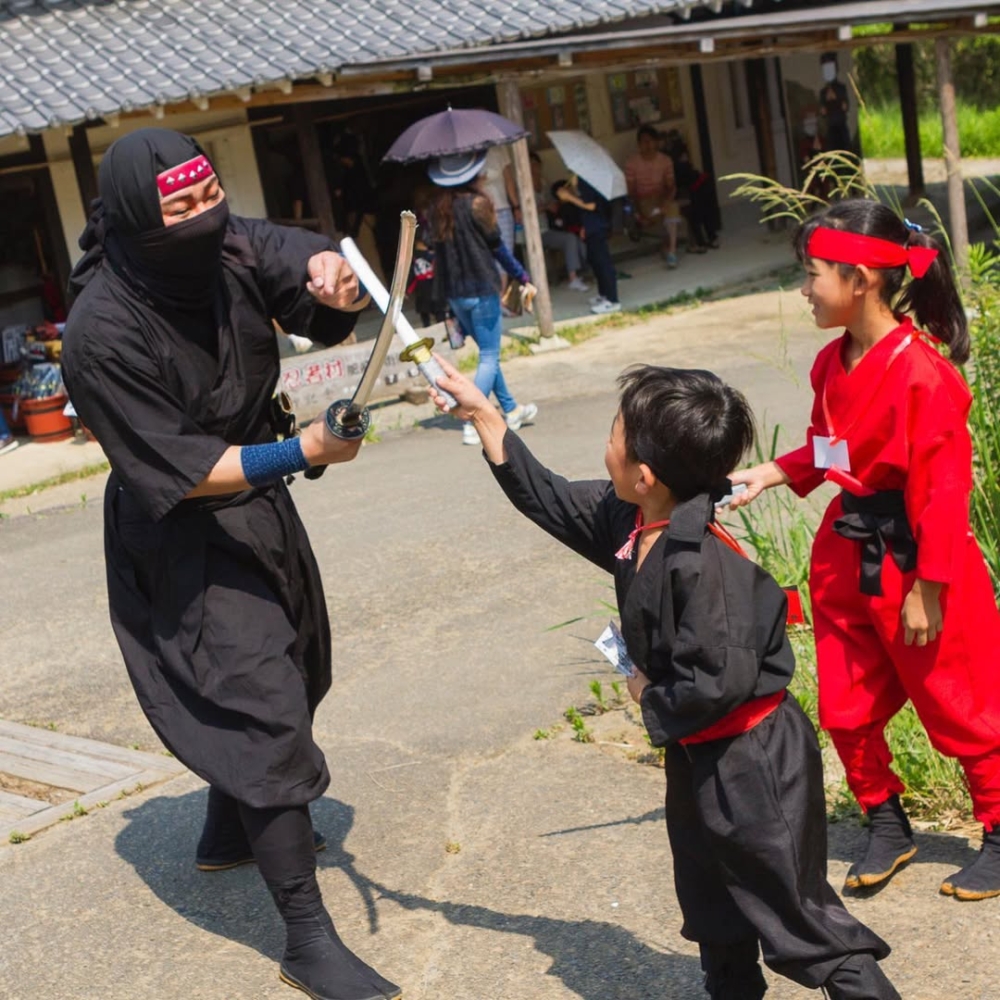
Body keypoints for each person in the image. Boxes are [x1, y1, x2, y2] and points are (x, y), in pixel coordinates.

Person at [428, 359, 900, 1000]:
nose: (606, 444)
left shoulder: (704, 567)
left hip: (756, 763)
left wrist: (648, 694)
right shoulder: (632, 520)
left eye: (613, 434)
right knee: (712, 903)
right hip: (699, 752)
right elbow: (547, 496)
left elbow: (721, 682)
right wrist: (486, 415)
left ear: (644, 475)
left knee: (800, 919)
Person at [60, 128, 401, 1000]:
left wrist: (333, 279)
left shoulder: (232, 244)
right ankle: (307, 938)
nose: (204, 219)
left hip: (259, 510)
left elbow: (303, 266)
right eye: (180, 207)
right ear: (135, 217)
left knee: (300, 668)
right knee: (262, 711)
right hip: (178, 530)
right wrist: (302, 451)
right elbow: (180, 468)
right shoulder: (100, 331)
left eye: (210, 196)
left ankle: (226, 830)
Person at [730, 199, 1000, 902]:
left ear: (861, 279)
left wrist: (929, 589)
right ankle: (886, 821)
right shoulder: (832, 362)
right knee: (845, 704)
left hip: (918, 558)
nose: (804, 289)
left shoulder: (924, 374)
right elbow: (831, 450)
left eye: (812, 273)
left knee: (960, 702)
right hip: (847, 553)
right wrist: (775, 471)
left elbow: (944, 492)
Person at [428, 150, 538, 446]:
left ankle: (511, 409)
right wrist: (521, 275)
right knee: (489, 356)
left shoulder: (437, 209)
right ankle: (471, 420)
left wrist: (442, 303)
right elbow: (498, 247)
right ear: (472, 176)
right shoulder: (477, 204)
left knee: (489, 354)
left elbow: (437, 255)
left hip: (456, 295)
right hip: (482, 290)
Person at [556, 174, 619, 315]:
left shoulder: (588, 181)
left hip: (598, 227)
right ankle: (603, 295)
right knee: (595, 262)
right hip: (591, 226)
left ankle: (612, 300)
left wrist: (569, 197)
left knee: (603, 263)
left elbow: (591, 205)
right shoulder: (582, 184)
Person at [529, 152, 590, 292]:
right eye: (530, 165)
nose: (533, 168)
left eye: (535, 164)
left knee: (578, 238)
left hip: (553, 226)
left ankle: (588, 271)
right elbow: (524, 213)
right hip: (538, 231)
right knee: (569, 238)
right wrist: (545, 207)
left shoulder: (545, 183)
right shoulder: (523, 187)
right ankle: (573, 278)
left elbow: (555, 201)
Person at [625, 124, 681, 268]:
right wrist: (638, 214)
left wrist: (666, 202)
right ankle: (666, 247)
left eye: (650, 141)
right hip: (644, 202)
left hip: (662, 198)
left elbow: (671, 186)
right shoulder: (632, 163)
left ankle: (672, 252)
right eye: (644, 141)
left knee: (672, 208)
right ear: (639, 144)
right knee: (657, 214)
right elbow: (631, 192)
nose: (648, 145)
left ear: (656, 142)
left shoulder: (665, 160)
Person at [662, 130, 719, 253]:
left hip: (693, 186)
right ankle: (709, 237)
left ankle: (703, 239)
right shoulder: (668, 158)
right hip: (689, 187)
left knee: (699, 203)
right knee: (699, 204)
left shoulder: (675, 157)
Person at [479, 144, 520, 304]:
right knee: (484, 256)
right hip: (480, 212)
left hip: (503, 209)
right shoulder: (469, 152)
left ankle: (501, 299)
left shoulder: (499, 149)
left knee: (505, 254)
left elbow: (509, 181)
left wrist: (516, 206)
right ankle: (491, 299)